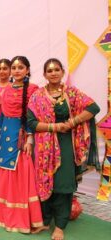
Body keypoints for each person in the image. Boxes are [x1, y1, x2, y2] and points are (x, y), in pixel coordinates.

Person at [27, 58, 100, 240]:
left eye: (56, 69)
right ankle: (44, 221)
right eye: (49, 70)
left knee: (63, 183)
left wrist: (73, 121)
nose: (53, 73)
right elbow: (31, 123)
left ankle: (60, 225)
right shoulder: (37, 96)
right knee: (43, 181)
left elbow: (94, 107)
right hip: (44, 145)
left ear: (62, 72)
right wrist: (54, 127)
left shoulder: (72, 93)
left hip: (66, 143)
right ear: (44, 74)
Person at [0, 56, 43, 233]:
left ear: (27, 70)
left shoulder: (33, 89)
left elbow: (33, 116)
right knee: (1, 167)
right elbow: (2, 113)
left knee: (19, 170)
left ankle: (20, 217)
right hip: (5, 133)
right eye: (15, 67)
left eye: (21, 67)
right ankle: (0, 212)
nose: (17, 70)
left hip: (21, 134)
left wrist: (30, 138)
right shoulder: (8, 88)